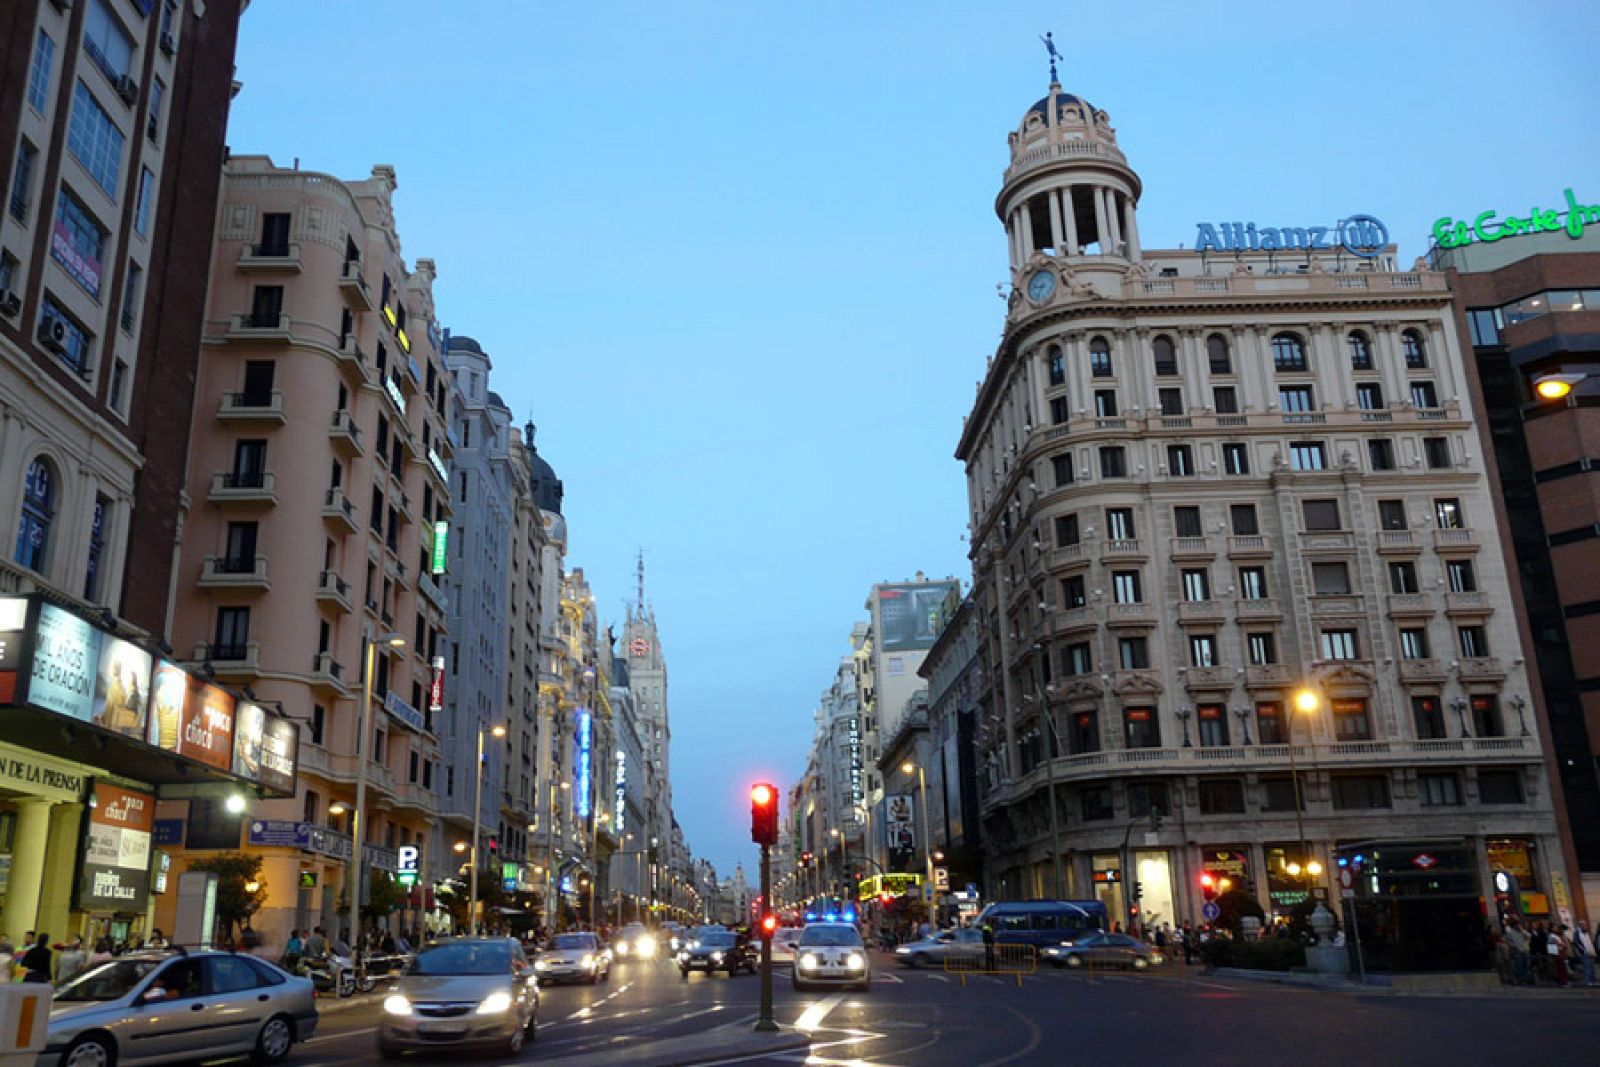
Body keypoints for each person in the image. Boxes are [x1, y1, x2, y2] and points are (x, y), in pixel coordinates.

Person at [1503, 919, 1531, 985]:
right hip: (1517, 951)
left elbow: (1529, 936)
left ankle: (1526, 978)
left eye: (1520, 925)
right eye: (1518, 925)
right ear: (1514, 926)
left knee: (1526, 965)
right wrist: (1513, 946)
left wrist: (1522, 931)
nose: (1519, 926)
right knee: (1519, 965)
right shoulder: (1510, 933)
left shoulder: (1523, 932)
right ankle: (1520, 979)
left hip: (1525, 950)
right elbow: (1506, 940)